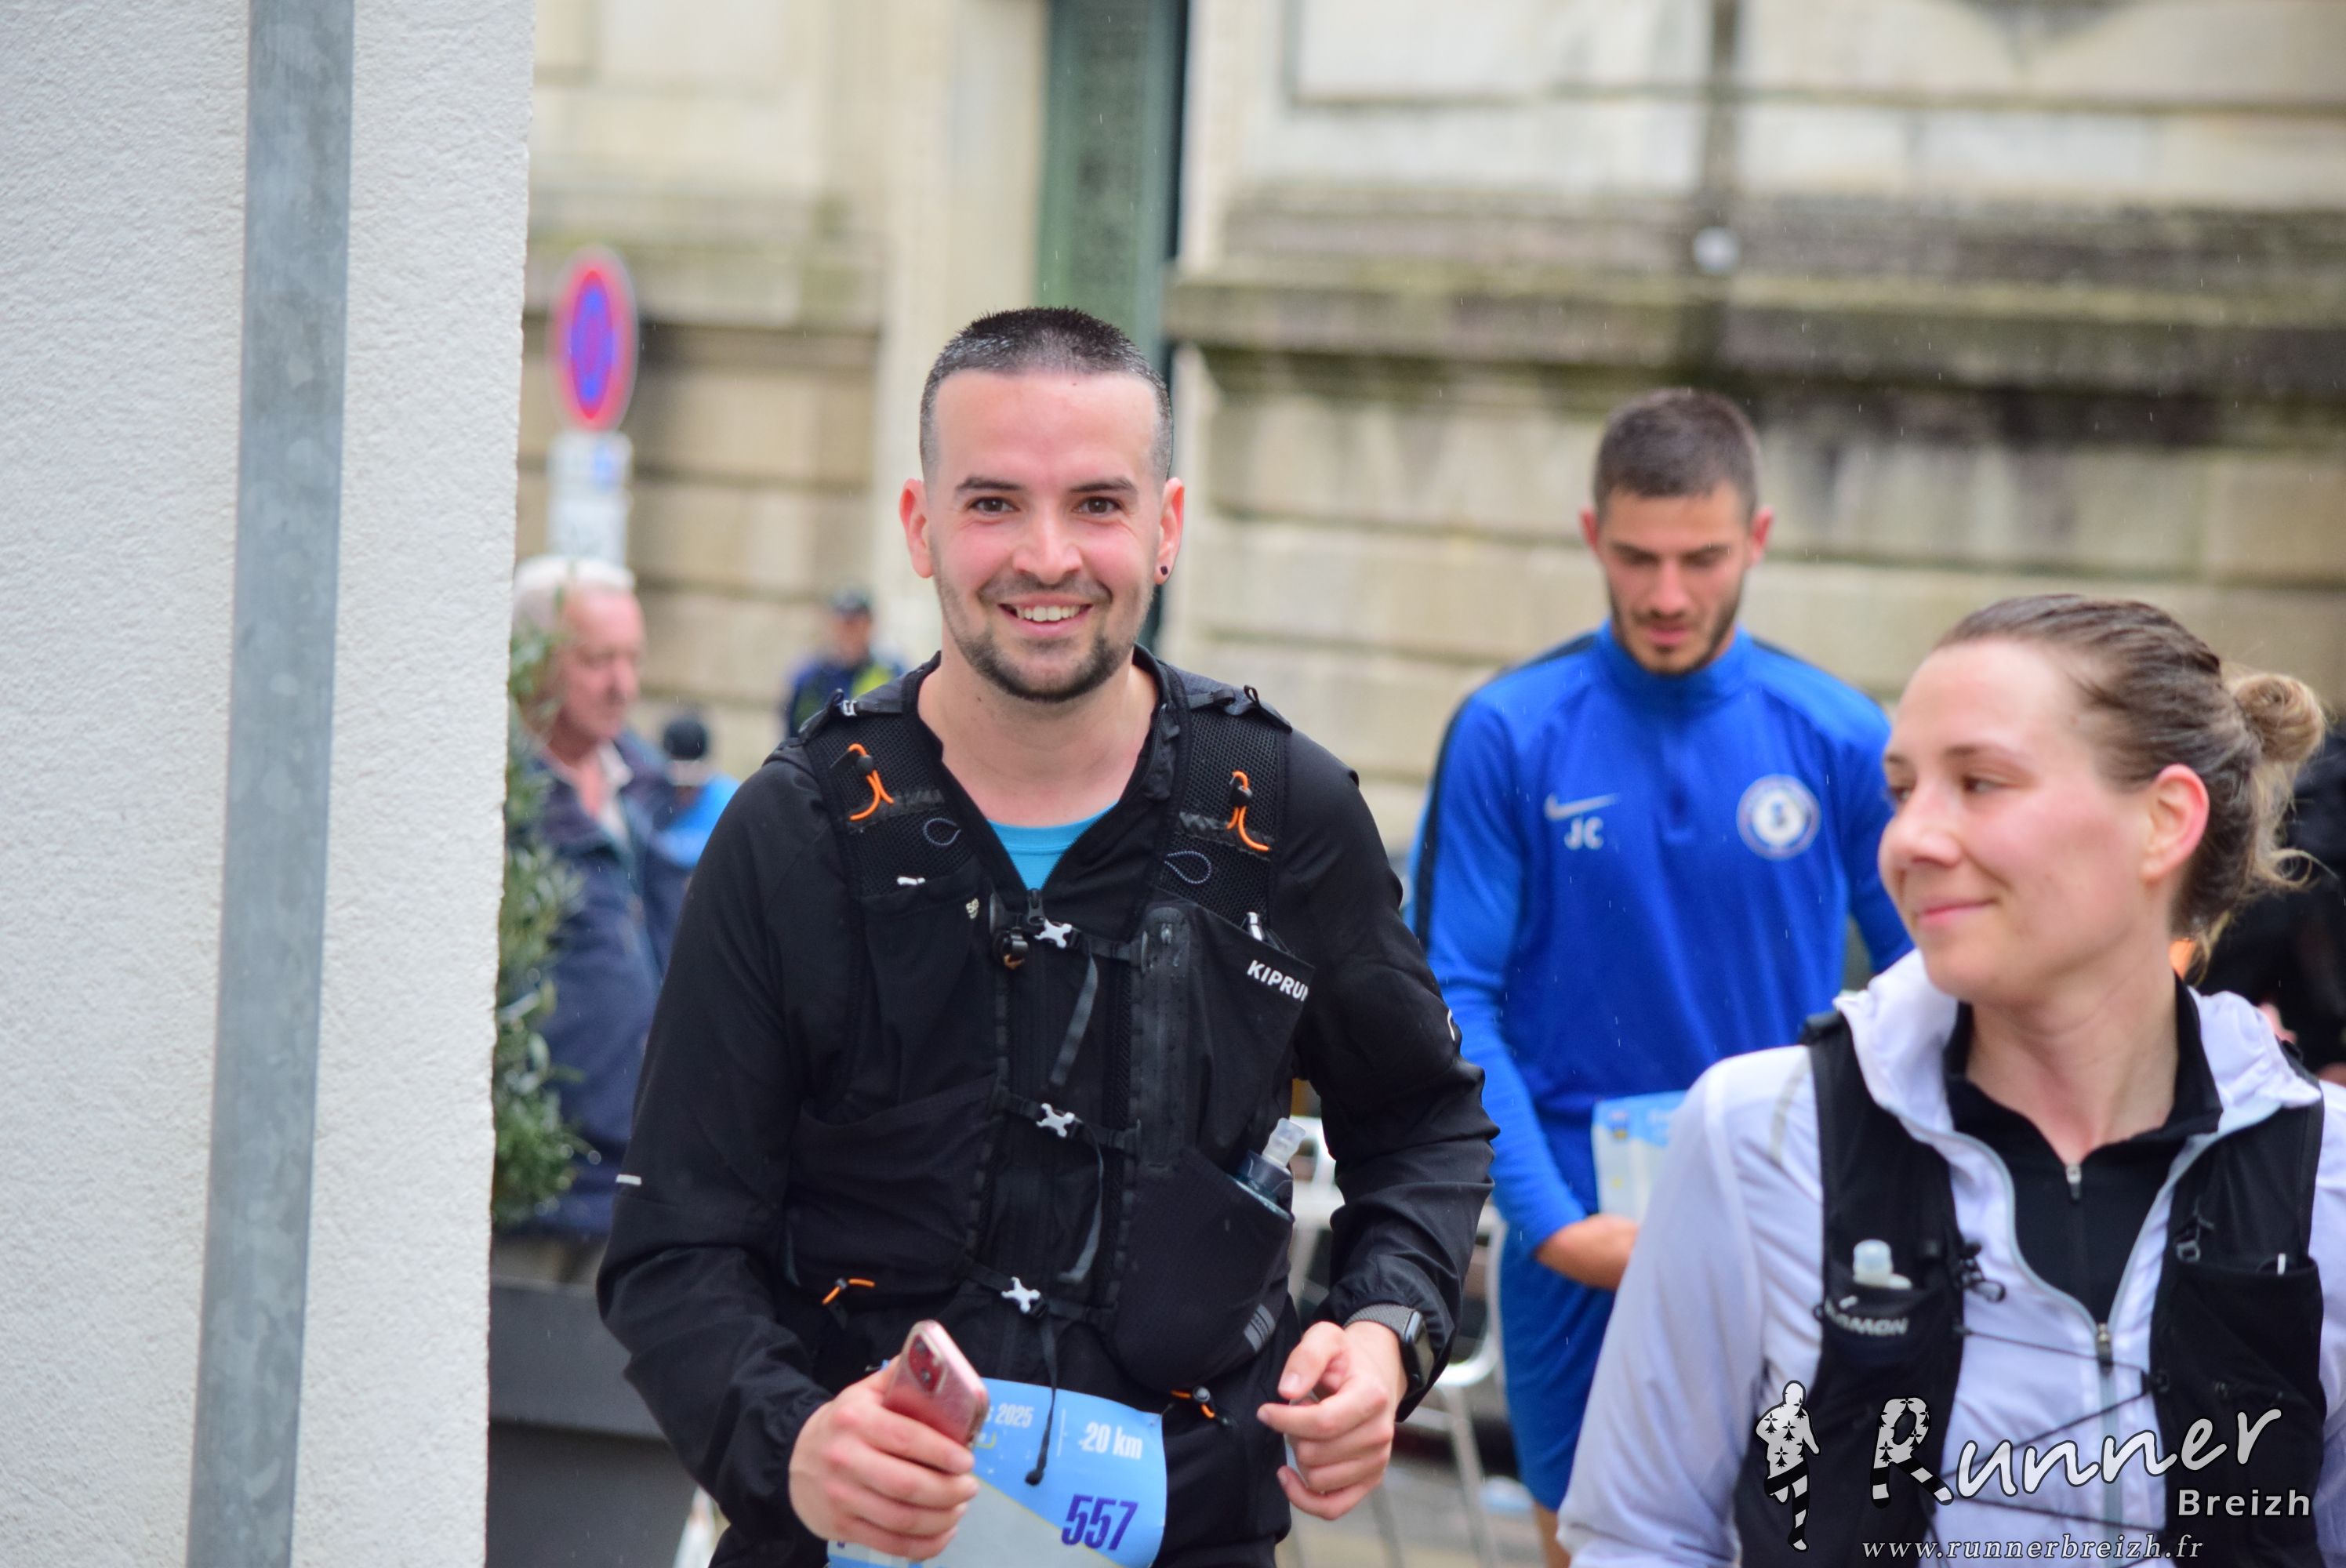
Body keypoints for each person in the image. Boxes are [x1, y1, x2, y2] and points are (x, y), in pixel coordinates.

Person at [599, 307, 1495, 1567]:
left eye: (1097, 504)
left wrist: (1384, 1331)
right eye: (993, 504)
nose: (1047, 555)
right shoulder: (793, 834)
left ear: (1167, 528)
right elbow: (673, 1246)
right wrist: (791, 1443)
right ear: (920, 524)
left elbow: (1424, 1123)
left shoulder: (1282, 812)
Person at [1558, 594, 2346, 1563]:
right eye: (1901, 791)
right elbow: (1638, 1536)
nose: (1909, 840)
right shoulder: (1762, 1130)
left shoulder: (2323, 1168)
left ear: (2163, 819)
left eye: (1979, 782)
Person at [1411, 387, 1911, 1559]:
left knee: (1788, 1538)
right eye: (1637, 557)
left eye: (1702, 558)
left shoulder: (1840, 734)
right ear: (1593, 536)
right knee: (1586, 1546)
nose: (1668, 594)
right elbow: (1456, 992)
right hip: (1577, 1230)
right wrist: (1549, 1224)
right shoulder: (1509, 729)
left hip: (1784, 1218)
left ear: (1758, 539)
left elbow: (1930, 980)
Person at [505, 555, 688, 1269]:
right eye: (596, 660)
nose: (623, 685)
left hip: (631, 1192)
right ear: (533, 662)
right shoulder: (502, 799)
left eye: (632, 659)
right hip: (537, 1196)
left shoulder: (640, 786)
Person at [781, 586, 902, 737]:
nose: (848, 633)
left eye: (856, 624)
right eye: (843, 624)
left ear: (870, 625)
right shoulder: (809, 677)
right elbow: (791, 732)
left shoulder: (891, 672)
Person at [653, 710, 740, 872]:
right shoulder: (649, 797)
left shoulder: (730, 801)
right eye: (678, 783)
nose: (685, 795)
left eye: (692, 784)